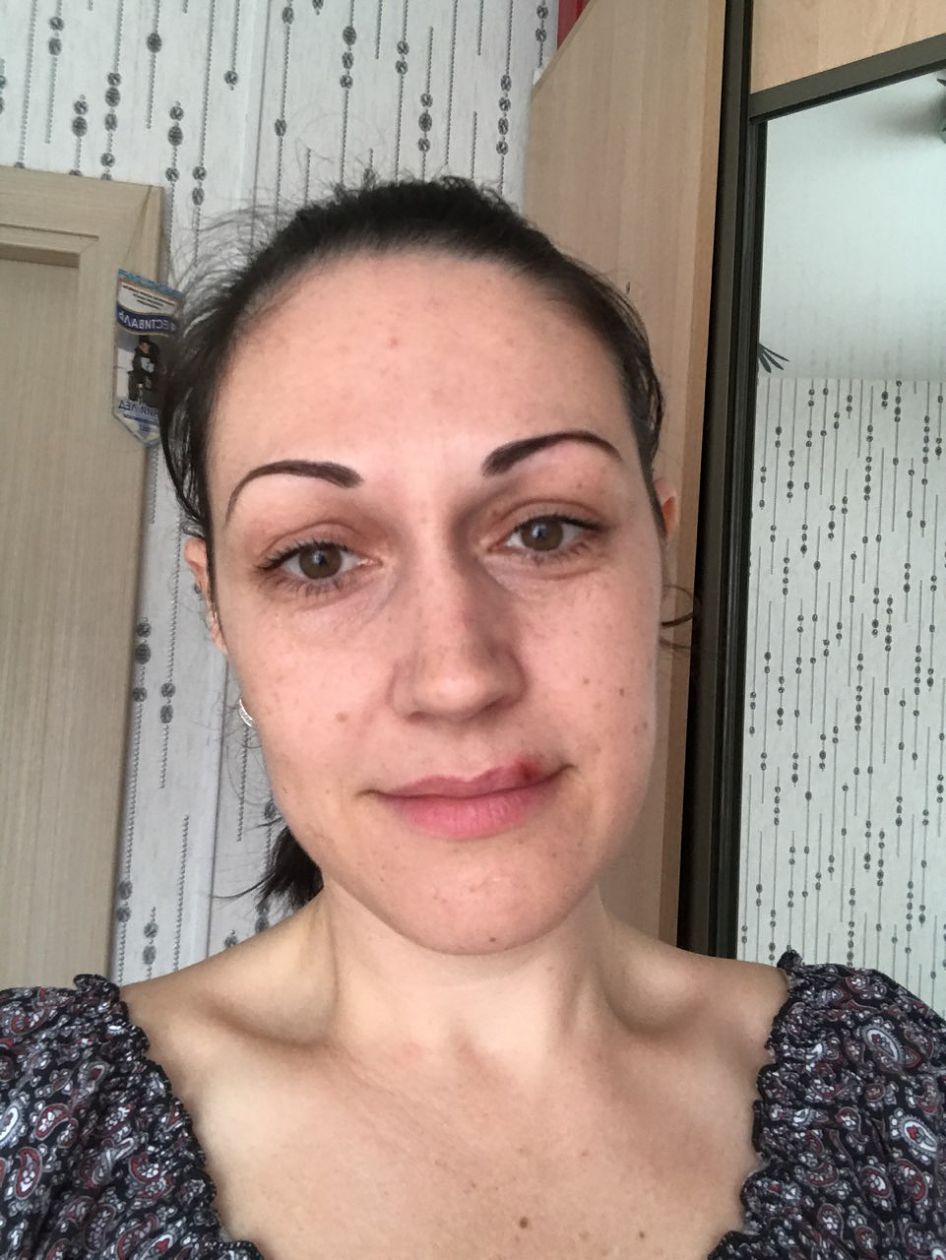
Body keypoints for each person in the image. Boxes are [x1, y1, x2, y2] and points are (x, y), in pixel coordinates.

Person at [1, 176, 943, 1259]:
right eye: (319, 558)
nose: (455, 677)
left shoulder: (892, 1091)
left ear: (658, 551)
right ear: (218, 609)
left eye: (545, 531)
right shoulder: (35, 1121)